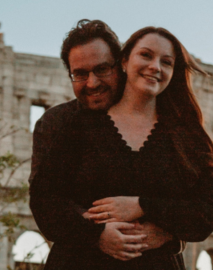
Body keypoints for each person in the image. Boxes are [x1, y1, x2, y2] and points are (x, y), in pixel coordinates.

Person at [29, 20, 183, 268]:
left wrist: (171, 232)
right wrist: (97, 234)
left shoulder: (168, 124)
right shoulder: (57, 123)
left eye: (102, 70)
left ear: (121, 65)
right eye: (80, 74)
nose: (92, 83)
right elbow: (45, 201)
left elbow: (201, 203)